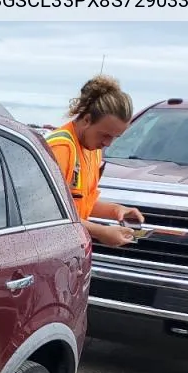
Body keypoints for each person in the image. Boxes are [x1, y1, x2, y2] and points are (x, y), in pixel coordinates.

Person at [45, 75, 144, 248]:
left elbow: (80, 205)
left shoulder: (93, 150)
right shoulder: (61, 149)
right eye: (105, 135)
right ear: (87, 120)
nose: (107, 143)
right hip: (52, 248)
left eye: (115, 137)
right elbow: (50, 215)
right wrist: (101, 232)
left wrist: (116, 211)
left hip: (72, 248)